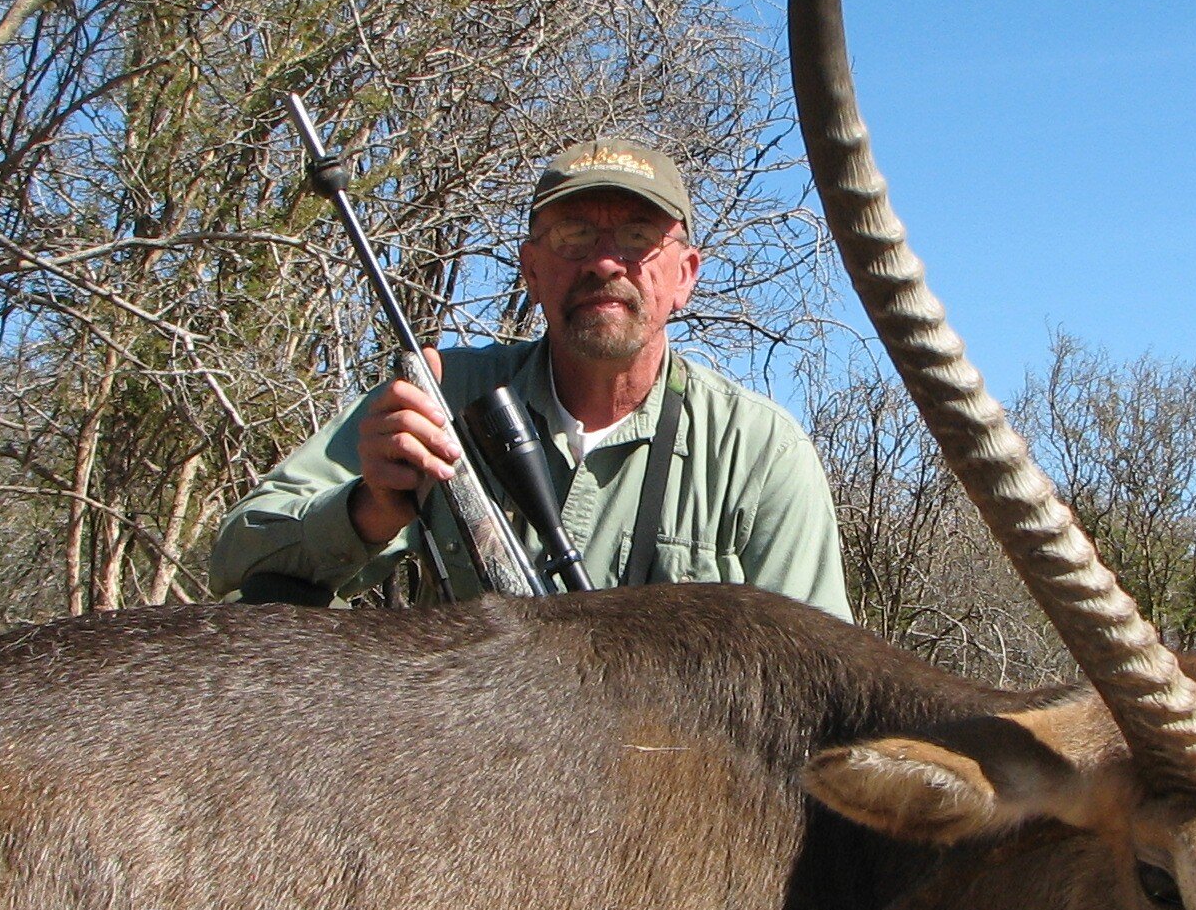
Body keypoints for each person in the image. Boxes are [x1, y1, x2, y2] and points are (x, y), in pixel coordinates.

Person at [209, 138, 851, 617]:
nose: (604, 263)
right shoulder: (437, 399)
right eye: (573, 237)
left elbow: (818, 674)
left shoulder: (761, 449)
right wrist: (370, 508)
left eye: (635, 238)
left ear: (685, 275)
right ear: (531, 270)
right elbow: (237, 557)